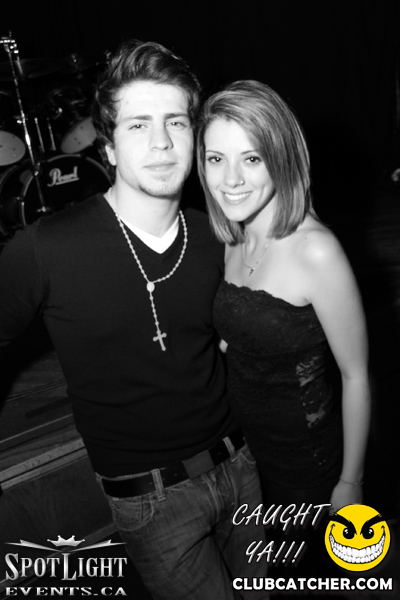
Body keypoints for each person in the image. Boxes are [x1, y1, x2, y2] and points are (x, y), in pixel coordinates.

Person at [0, 44, 267, 600]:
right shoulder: (46, 249)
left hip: (244, 468)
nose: (161, 142)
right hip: (152, 501)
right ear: (109, 147)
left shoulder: (218, 235)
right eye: (139, 124)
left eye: (176, 122)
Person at [196, 80, 371, 577]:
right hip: (247, 456)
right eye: (216, 159)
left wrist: (351, 482)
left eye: (251, 159)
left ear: (282, 158)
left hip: (305, 468)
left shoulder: (317, 251)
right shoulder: (233, 236)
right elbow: (239, 337)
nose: (231, 179)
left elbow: (356, 376)